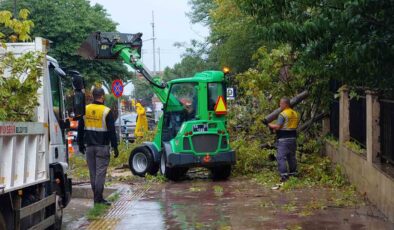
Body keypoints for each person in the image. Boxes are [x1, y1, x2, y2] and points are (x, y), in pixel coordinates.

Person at [77, 87, 119, 205]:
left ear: (92, 96)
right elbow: (112, 131)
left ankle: (97, 198)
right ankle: (98, 199)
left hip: (89, 147)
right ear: (102, 96)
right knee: (100, 173)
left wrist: (80, 144)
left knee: (93, 173)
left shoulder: (85, 110)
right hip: (102, 147)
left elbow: (80, 129)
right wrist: (115, 147)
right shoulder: (106, 111)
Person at [268, 97, 300, 182]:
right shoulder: (295, 113)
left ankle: (284, 176)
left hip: (283, 139)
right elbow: (290, 125)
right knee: (291, 157)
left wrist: (270, 125)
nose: (280, 105)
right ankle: (293, 173)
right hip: (293, 138)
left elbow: (278, 126)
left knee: (280, 157)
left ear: (285, 104)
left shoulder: (283, 114)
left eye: (281, 104)